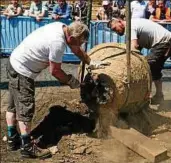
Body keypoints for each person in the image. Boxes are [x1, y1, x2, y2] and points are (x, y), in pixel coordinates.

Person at [6, 21, 108, 159]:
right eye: (79, 42)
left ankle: (12, 139)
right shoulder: (57, 43)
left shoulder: (63, 27)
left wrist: (91, 62)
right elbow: (55, 71)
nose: (79, 46)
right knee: (26, 107)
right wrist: (71, 81)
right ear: (71, 38)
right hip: (23, 71)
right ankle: (27, 147)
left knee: (13, 105)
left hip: (14, 61)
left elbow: (76, 49)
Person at [107, 18, 171, 104]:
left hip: (165, 42)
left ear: (120, 22)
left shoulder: (130, 27)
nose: (115, 32)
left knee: (146, 65)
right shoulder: (131, 26)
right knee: (154, 70)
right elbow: (137, 47)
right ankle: (159, 96)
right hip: (164, 42)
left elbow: (134, 47)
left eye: (115, 28)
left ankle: (146, 95)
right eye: (113, 30)